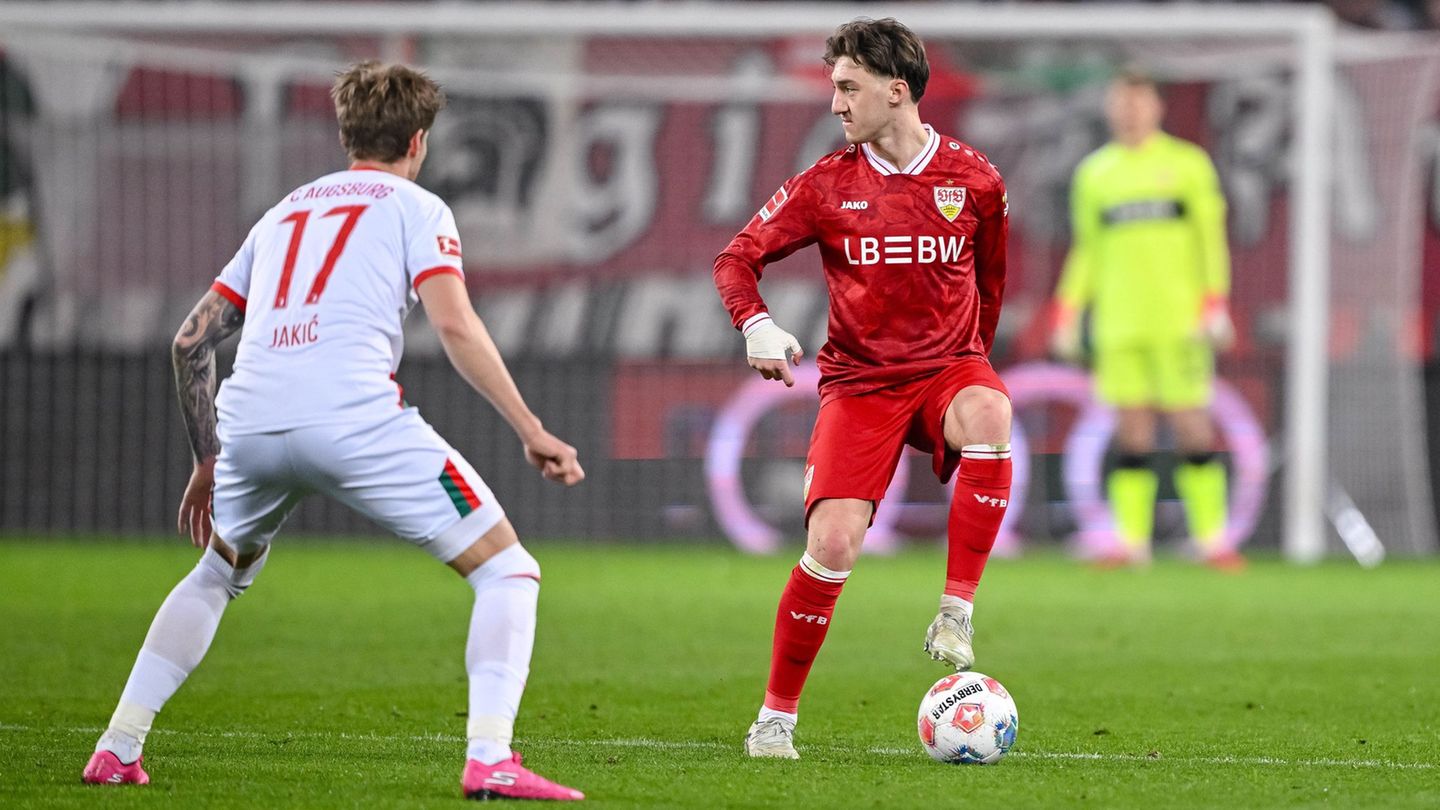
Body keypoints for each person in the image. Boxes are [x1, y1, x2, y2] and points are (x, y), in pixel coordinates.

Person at [81, 61, 585, 801]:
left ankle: (118, 746)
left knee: (217, 573)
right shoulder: (419, 208)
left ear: (348, 133)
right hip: (352, 420)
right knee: (507, 570)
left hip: (249, 423)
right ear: (418, 141)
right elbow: (454, 324)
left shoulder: (282, 214)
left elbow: (190, 343)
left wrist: (208, 459)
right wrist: (531, 427)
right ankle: (490, 758)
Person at [713, 18, 1012, 760]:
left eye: (849, 87)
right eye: (834, 87)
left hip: (946, 369)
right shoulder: (825, 184)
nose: (836, 102)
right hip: (860, 385)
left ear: (897, 90)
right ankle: (774, 721)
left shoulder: (975, 179)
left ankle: (956, 612)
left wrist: (969, 360)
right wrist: (755, 324)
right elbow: (735, 259)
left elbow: (991, 286)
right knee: (834, 544)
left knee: (991, 410)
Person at [1049, 68, 1240, 571]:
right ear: (1110, 109)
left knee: (1193, 426)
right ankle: (1131, 543)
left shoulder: (1188, 165)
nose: (1130, 111)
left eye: (1138, 101)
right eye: (1122, 102)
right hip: (1119, 323)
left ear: (1157, 107)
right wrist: (1067, 312)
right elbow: (1087, 251)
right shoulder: (1095, 173)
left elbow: (1210, 239)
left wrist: (1215, 303)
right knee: (1132, 431)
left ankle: (1212, 540)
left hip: (1180, 322)